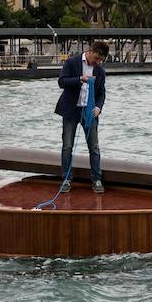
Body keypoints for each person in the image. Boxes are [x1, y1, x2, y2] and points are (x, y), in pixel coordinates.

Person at [55, 41, 108, 193]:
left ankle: (97, 179)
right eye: (97, 58)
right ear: (90, 51)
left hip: (90, 111)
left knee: (94, 147)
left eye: (100, 60)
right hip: (71, 110)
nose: (98, 62)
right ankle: (66, 179)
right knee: (67, 146)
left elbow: (102, 93)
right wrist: (79, 79)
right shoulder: (72, 62)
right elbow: (61, 82)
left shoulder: (100, 71)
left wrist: (98, 107)